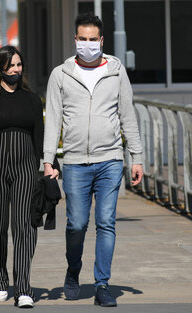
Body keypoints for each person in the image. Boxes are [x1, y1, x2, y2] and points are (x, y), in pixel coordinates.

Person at [43, 12, 144, 307]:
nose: (87, 44)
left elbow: (128, 114)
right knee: (75, 225)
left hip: (110, 159)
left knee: (106, 223)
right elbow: (53, 121)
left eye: (92, 40)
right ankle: (73, 271)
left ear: (101, 40)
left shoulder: (115, 70)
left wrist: (135, 156)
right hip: (74, 162)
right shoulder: (60, 75)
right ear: (75, 40)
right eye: (82, 39)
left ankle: (102, 284)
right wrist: (49, 160)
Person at [0, 45, 60, 308]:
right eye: (11, 66)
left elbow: (40, 135)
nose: (16, 70)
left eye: (19, 65)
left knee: (25, 225)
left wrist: (49, 164)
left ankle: (23, 287)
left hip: (26, 165)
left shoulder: (32, 100)